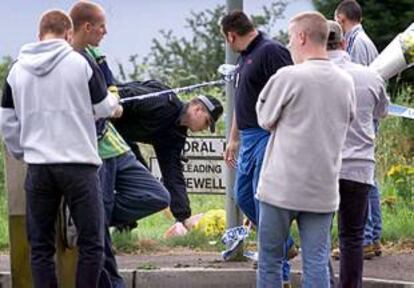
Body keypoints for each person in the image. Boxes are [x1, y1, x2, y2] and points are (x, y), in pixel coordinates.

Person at [0, 10, 120, 287]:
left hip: (39, 169)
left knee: (40, 246)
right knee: (92, 243)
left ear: (39, 35)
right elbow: (103, 108)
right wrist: (114, 102)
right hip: (79, 166)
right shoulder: (80, 63)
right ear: (68, 34)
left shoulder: (17, 70)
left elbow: (7, 122)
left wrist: (23, 152)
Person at [69, 2, 170, 287]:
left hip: (115, 145)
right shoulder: (70, 59)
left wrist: (111, 102)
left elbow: (111, 89)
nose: (106, 32)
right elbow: (97, 104)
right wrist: (108, 105)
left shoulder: (95, 54)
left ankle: (88, 220)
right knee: (97, 229)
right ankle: (112, 280)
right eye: (101, 26)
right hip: (93, 149)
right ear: (87, 27)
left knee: (156, 195)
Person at [255, 12, 356, 287]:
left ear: (301, 37)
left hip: (281, 188)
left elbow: (264, 118)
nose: (288, 44)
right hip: (322, 190)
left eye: (290, 37)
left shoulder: (288, 76)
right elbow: (349, 120)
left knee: (271, 262)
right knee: (315, 264)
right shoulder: (346, 82)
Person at [220, 10, 295, 285]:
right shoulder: (244, 58)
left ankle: (279, 274)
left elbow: (289, 94)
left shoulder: (271, 51)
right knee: (243, 196)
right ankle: (285, 243)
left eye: (226, 40)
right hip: (247, 137)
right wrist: (233, 137)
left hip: (266, 135)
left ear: (231, 35)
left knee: (264, 202)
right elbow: (244, 98)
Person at [327, 20, 389, 288]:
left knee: (317, 235)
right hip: (359, 166)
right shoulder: (369, 76)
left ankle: (323, 282)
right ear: (343, 43)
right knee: (352, 237)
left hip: (323, 166)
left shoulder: (307, 74)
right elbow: (382, 112)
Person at [113, 85, 224, 225]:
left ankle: (121, 223)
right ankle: (108, 221)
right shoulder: (164, 102)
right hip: (101, 129)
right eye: (207, 122)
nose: (205, 129)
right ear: (198, 109)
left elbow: (172, 174)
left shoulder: (175, 135)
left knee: (147, 188)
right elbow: (128, 93)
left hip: (121, 140)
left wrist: (183, 217)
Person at [335, 0, 383, 258]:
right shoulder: (362, 41)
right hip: (365, 119)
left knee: (362, 181)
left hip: (358, 121)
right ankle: (371, 236)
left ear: (341, 20)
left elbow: (359, 84)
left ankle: (366, 237)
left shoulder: (358, 44)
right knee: (367, 181)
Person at [335, 0, 378, 65]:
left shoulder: (356, 42)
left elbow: (357, 74)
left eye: (336, 20)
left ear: (341, 18)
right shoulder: (360, 38)